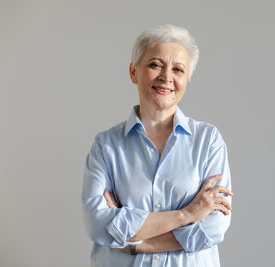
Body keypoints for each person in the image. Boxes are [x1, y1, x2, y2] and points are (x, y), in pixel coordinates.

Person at [82, 24, 233, 267]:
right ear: (133, 72)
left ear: (186, 79)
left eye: (178, 69)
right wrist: (187, 215)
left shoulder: (208, 141)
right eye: (155, 65)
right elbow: (98, 224)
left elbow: (214, 227)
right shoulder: (106, 146)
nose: (166, 77)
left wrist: (136, 243)